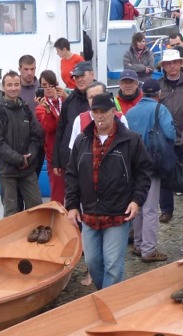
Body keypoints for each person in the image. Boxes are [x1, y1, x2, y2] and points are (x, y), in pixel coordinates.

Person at [64, 92, 153, 289]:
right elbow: (72, 175)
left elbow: (144, 172)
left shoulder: (131, 140)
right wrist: (71, 205)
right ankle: (104, 295)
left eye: (104, 111)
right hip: (89, 213)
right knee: (92, 262)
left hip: (117, 213)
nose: (100, 116)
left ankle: (108, 304)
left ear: (114, 112)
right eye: (96, 112)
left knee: (113, 265)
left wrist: (137, 200)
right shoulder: (81, 141)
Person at [124, 79, 173, 263]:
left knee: (137, 205)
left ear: (142, 92)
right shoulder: (160, 109)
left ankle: (138, 243)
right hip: (152, 164)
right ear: (158, 94)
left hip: (132, 165)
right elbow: (170, 133)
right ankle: (148, 249)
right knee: (151, 209)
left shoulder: (131, 111)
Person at [0, 71, 44, 217]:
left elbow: (36, 136)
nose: (13, 88)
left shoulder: (25, 110)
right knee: (11, 211)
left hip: (27, 168)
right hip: (7, 170)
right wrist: (18, 159)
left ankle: (36, 233)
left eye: (16, 84)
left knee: (36, 205)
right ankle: (12, 239)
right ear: (3, 87)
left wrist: (28, 158)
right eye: (9, 85)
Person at [159, 48, 183, 223]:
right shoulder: (159, 86)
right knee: (164, 175)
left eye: (175, 62)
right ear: (164, 66)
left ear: (181, 64)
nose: (172, 66)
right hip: (165, 138)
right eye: (169, 63)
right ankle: (167, 209)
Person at [52, 60, 95, 177]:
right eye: (76, 77)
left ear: (92, 74)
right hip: (71, 160)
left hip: (96, 159)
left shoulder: (103, 96)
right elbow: (60, 130)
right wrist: (56, 161)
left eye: (82, 75)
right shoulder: (69, 101)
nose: (79, 79)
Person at [35, 69, 66, 204]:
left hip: (70, 152)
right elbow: (50, 127)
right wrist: (48, 110)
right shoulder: (41, 108)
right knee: (57, 192)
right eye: (44, 85)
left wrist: (66, 97)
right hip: (54, 155)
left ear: (56, 85)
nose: (47, 88)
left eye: (50, 85)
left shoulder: (66, 101)